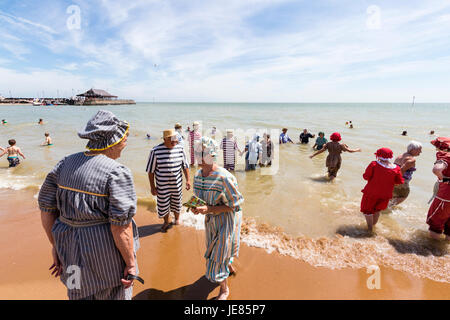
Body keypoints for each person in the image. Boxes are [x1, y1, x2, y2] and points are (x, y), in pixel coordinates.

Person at [37, 110, 141, 300]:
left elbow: (46, 208)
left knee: (76, 292)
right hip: (105, 257)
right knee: (113, 294)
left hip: (68, 250)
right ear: (113, 141)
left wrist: (56, 246)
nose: (125, 144)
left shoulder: (65, 163)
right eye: (125, 139)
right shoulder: (116, 172)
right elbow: (120, 227)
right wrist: (131, 263)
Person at [191, 136, 244, 300]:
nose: (198, 156)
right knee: (218, 250)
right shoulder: (198, 175)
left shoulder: (224, 178)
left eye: (203, 153)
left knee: (218, 256)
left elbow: (236, 204)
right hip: (210, 221)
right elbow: (200, 199)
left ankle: (224, 290)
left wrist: (210, 209)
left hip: (226, 221)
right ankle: (228, 264)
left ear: (212, 155)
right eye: (197, 152)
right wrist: (196, 207)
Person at [146, 129, 191, 232]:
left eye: (176, 139)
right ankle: (166, 221)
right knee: (163, 205)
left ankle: (177, 219)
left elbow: (185, 166)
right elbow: (150, 171)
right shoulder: (155, 151)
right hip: (162, 187)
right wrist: (152, 187)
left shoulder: (180, 149)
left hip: (177, 185)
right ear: (165, 139)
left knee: (177, 203)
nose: (175, 142)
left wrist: (188, 180)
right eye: (172, 140)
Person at [360, 148, 404, 232]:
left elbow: (366, 177)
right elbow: (399, 182)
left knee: (367, 211)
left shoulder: (374, 164)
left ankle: (369, 229)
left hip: (371, 192)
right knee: (377, 211)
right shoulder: (396, 168)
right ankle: (373, 226)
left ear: (378, 155)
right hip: (385, 194)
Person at [426, 137, 450, 241]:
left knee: (436, 223)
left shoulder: (445, 156)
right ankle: (443, 253)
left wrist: (444, 179)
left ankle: (432, 249)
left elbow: (437, 169)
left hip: (446, 196)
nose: (436, 150)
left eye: (437, 147)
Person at [390, 141, 422, 206]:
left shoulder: (399, 156)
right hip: (402, 180)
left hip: (393, 178)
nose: (420, 152)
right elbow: (402, 169)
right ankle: (389, 207)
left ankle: (386, 207)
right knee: (404, 196)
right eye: (419, 150)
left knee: (393, 195)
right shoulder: (411, 159)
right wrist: (397, 181)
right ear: (413, 150)